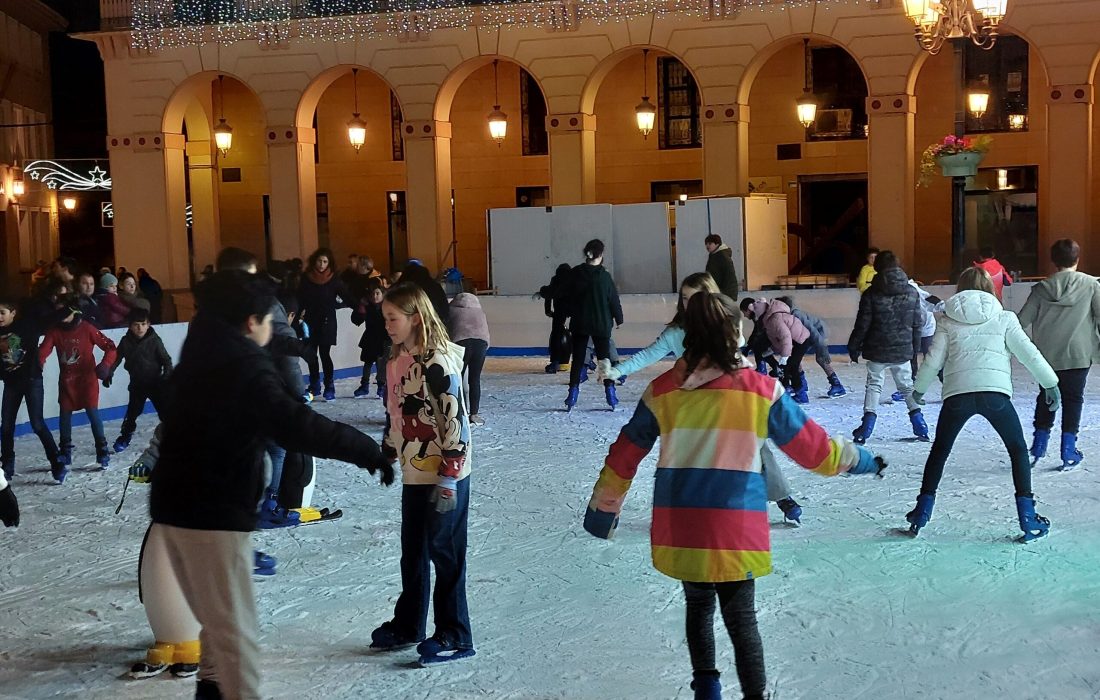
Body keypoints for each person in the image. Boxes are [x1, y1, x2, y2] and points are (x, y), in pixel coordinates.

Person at [582, 291, 885, 700]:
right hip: (734, 527)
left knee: (699, 606)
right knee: (741, 620)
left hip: (683, 526)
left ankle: (706, 688)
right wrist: (864, 460)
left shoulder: (662, 391)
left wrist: (604, 511)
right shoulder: (760, 391)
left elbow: (625, 454)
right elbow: (816, 453)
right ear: (734, 331)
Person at [149, 270, 394, 700]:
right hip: (214, 514)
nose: (271, 329)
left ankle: (211, 691)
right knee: (236, 634)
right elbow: (296, 425)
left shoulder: (203, 349)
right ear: (249, 322)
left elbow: (256, 352)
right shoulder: (243, 370)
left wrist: (284, 345)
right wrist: (366, 451)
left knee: (217, 621)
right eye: (268, 320)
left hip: (174, 510)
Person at [600, 281, 810, 524]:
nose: (693, 304)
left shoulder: (721, 324)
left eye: (698, 297)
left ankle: (782, 497)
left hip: (730, 395)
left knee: (754, 444)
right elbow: (648, 355)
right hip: (694, 402)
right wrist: (617, 371)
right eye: (687, 299)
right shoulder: (676, 333)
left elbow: (739, 343)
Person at [908, 267, 1057, 542]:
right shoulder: (1004, 318)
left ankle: (921, 511)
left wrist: (918, 391)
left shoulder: (946, 320)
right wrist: (1050, 383)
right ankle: (1027, 516)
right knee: (1017, 451)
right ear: (991, 289)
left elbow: (932, 360)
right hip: (995, 395)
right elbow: (1029, 354)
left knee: (940, 451)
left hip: (957, 396)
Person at [372, 282, 475, 666]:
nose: (387, 325)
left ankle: (454, 632)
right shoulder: (398, 360)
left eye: (393, 318)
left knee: (445, 553)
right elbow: (399, 414)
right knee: (413, 551)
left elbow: (455, 421)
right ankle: (409, 623)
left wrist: (448, 473)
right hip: (415, 471)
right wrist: (386, 451)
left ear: (415, 318)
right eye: (384, 318)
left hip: (446, 474)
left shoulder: (437, 361)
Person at [1017, 238, 1100, 470]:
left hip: (1046, 358)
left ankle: (1039, 446)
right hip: (1078, 355)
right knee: (1073, 400)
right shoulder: (1092, 285)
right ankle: (1068, 449)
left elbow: (1021, 321)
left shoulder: (1041, 289)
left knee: (1047, 397)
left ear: (1053, 261)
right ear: (1078, 259)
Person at [847, 250, 928, 443]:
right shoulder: (911, 292)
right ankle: (920, 424)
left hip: (877, 349)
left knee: (874, 385)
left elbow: (863, 323)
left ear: (877, 268)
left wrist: (854, 345)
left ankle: (866, 427)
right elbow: (917, 324)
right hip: (902, 348)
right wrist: (913, 350)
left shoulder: (871, 293)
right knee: (907, 387)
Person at [39, 304, 118, 476]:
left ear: (73, 313)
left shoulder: (87, 328)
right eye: (59, 316)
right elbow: (44, 350)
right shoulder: (55, 331)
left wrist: (106, 365)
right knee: (65, 416)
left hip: (87, 380)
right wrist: (38, 364)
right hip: (67, 381)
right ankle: (65, 451)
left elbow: (110, 347)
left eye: (65, 316)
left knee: (93, 414)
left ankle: (102, 449)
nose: (62, 320)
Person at [0, 297, 65, 480]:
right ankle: (7, 463)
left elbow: (49, 319)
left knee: (37, 424)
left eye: (2, 313)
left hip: (32, 381)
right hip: (11, 384)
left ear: (13, 313)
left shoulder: (27, 326)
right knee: (6, 426)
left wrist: (67, 307)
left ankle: (57, 461)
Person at [563, 239, 623, 411]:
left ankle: (572, 395)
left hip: (580, 323)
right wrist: (619, 319)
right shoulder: (604, 277)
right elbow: (613, 300)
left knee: (578, 361)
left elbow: (566, 296)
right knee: (605, 360)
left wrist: (567, 313)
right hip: (601, 325)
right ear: (601, 255)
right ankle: (610, 394)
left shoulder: (575, 274)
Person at [105, 308, 173, 453]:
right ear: (130, 325)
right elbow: (116, 358)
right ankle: (125, 437)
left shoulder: (154, 340)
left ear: (148, 324)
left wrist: (166, 377)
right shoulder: (125, 341)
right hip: (137, 384)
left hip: (156, 383)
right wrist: (109, 373)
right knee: (132, 412)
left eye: (143, 324)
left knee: (165, 412)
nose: (140, 328)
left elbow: (166, 360)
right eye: (136, 324)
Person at [297, 247, 349, 401]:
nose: (321, 264)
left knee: (325, 354)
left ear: (329, 263)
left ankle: (329, 385)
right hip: (310, 322)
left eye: (325, 261)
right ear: (314, 261)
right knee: (311, 354)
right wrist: (294, 319)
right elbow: (300, 300)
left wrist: (361, 308)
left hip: (327, 322)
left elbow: (346, 295)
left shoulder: (334, 279)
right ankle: (314, 385)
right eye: (319, 261)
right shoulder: (306, 279)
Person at [741, 297, 812, 404]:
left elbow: (785, 336)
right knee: (787, 367)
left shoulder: (774, 319)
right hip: (794, 341)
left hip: (801, 340)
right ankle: (787, 390)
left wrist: (784, 356)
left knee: (791, 365)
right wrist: (770, 352)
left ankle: (801, 395)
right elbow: (773, 338)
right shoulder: (767, 320)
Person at [775, 295, 847, 399]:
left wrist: (822, 348)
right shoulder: (786, 316)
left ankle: (837, 385)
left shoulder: (796, 314)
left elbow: (813, 331)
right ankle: (802, 383)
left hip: (818, 332)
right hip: (807, 336)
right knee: (796, 357)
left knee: (821, 359)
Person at [449, 292, 490, 425]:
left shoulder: (451, 310)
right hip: (480, 343)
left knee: (458, 378)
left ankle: (460, 411)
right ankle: (474, 413)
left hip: (460, 342)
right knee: (474, 378)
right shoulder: (480, 311)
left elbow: (447, 329)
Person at [351, 279, 391, 400]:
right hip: (369, 338)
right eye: (372, 294)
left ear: (383, 294)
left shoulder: (387, 307)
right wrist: (360, 309)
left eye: (377, 293)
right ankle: (364, 386)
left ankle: (381, 387)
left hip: (383, 339)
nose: (375, 296)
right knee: (367, 363)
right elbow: (356, 320)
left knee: (381, 364)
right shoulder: (367, 307)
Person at [537, 264, 574, 374]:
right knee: (580, 335)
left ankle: (555, 361)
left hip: (560, 310)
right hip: (574, 309)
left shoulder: (556, 279)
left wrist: (548, 310)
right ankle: (586, 360)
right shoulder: (573, 279)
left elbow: (549, 294)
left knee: (556, 335)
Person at [703, 234, 740, 299]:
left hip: (725, 293)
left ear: (717, 244)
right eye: (706, 244)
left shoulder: (722, 256)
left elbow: (728, 275)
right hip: (719, 291)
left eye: (710, 243)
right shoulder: (714, 255)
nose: (707, 246)